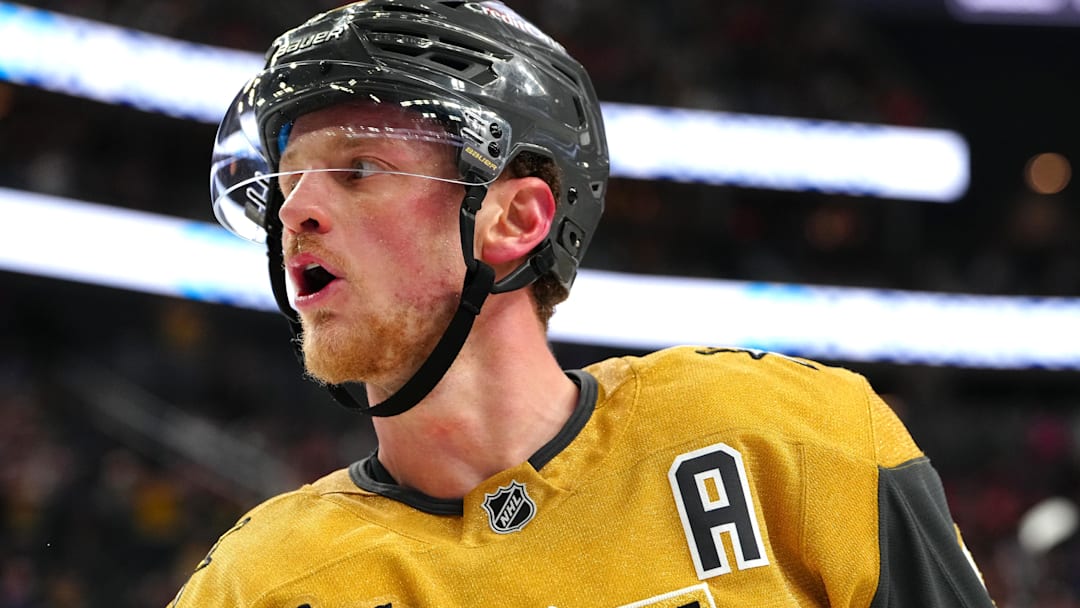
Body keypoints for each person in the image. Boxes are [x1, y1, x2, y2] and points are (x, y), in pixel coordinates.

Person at [173, 1, 996, 606]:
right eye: (286, 183)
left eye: (359, 169)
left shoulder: (794, 440)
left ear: (515, 219)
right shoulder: (258, 587)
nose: (293, 212)